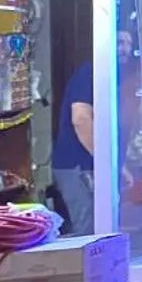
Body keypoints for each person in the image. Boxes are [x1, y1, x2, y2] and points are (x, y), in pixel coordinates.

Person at [53, 59, 97, 236]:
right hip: (76, 166)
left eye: (128, 43)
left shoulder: (113, 75)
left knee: (97, 227)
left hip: (86, 165)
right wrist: (103, 160)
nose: (124, 48)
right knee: (88, 230)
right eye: (119, 42)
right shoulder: (89, 73)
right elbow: (80, 119)